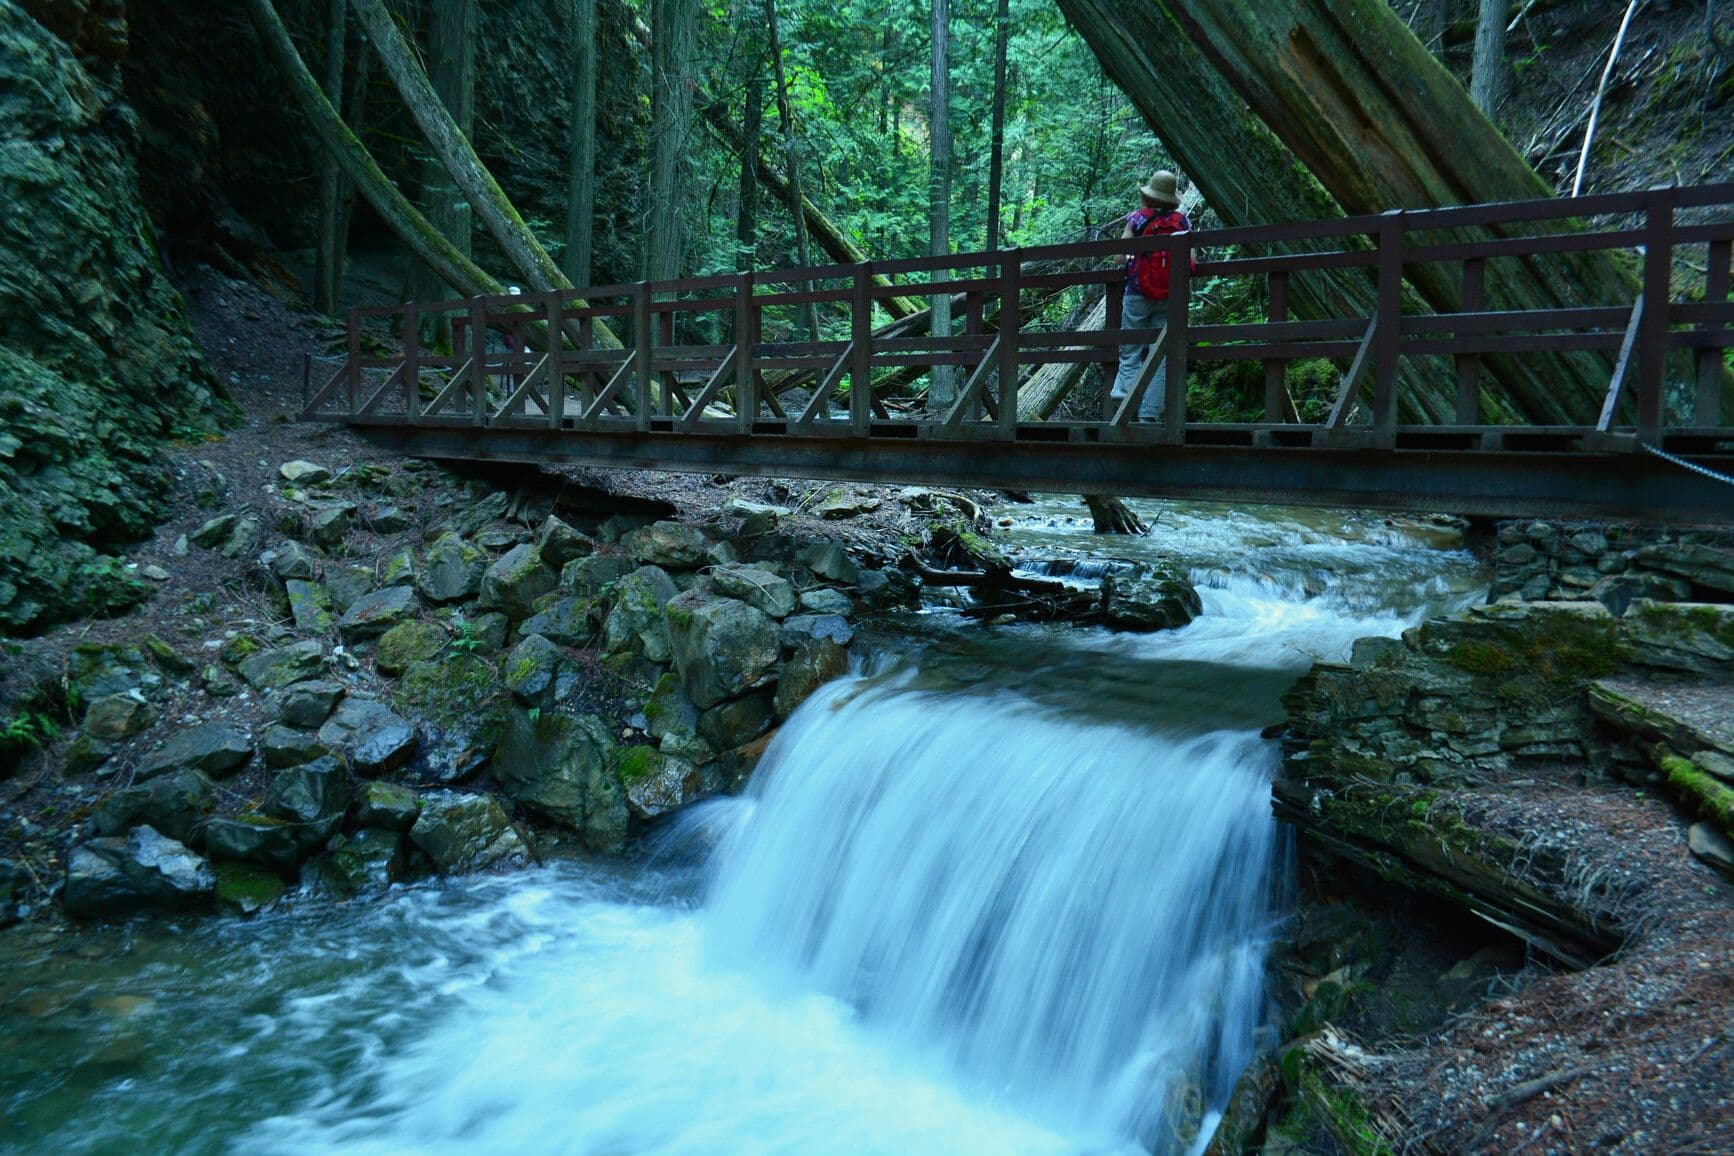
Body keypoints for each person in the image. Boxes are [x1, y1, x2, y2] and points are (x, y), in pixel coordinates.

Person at [1108, 170, 1192, 422]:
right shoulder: (1181, 222)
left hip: (1137, 292)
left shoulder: (1136, 219)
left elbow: (1119, 257)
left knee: (1131, 351)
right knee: (1161, 354)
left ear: (1149, 195)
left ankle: (1129, 409)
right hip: (1170, 296)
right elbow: (1192, 261)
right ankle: (1149, 415)